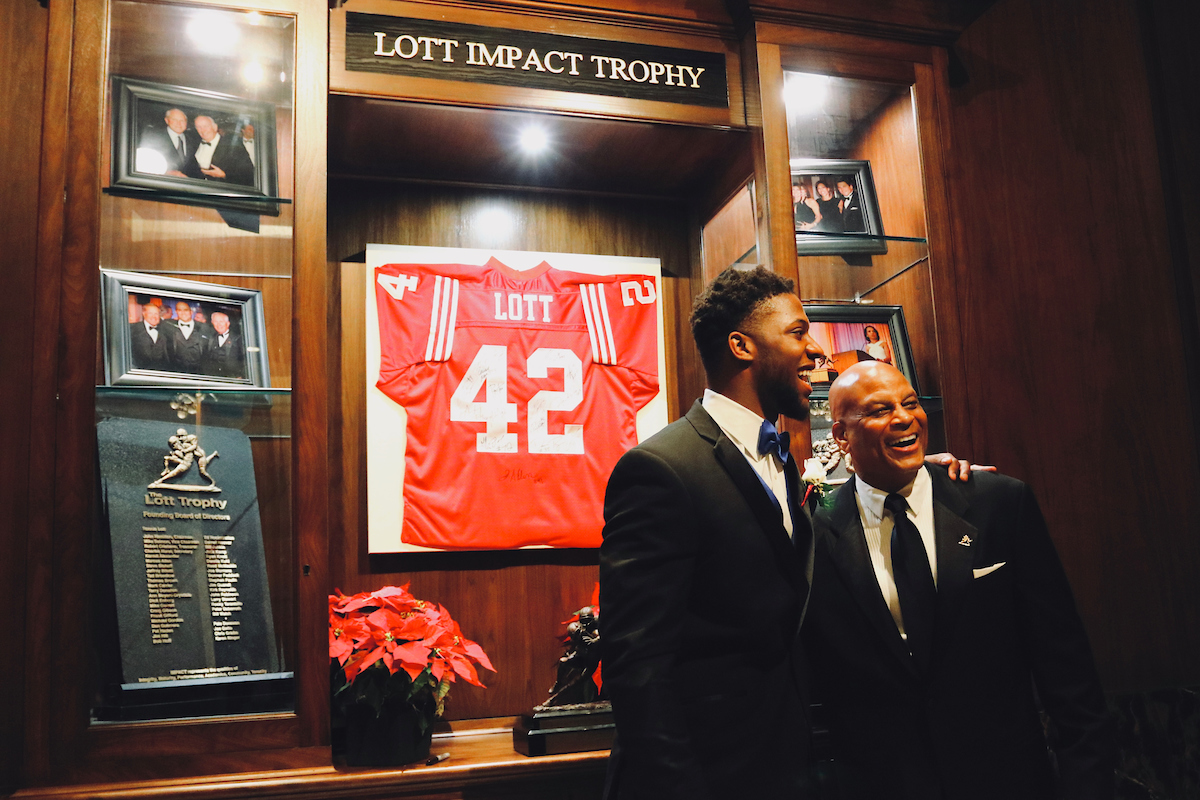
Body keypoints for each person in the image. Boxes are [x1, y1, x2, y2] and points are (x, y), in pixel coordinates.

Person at [803, 361, 1115, 800]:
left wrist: (1089, 784)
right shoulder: (814, 535)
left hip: (1009, 780)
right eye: (879, 410)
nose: (903, 417)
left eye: (909, 403)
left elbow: (1065, 664)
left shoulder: (998, 504)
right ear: (840, 435)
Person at [599, 266, 824, 800]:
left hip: (782, 767)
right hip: (704, 777)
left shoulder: (785, 464)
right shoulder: (661, 468)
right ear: (742, 346)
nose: (817, 350)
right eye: (798, 331)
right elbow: (637, 666)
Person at [185, 115, 255, 186]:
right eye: (199, 127)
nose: (202, 130)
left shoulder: (233, 146)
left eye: (206, 126)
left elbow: (249, 173)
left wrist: (224, 175)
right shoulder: (193, 143)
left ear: (215, 127)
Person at [136, 107, 195, 177]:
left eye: (182, 120)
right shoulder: (154, 136)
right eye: (174, 120)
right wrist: (165, 172)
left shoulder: (192, 140)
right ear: (167, 120)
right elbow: (142, 162)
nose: (179, 123)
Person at [162, 300, 212, 373]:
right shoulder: (167, 325)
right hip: (176, 370)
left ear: (191, 312)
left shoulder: (204, 327)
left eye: (186, 310)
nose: (183, 313)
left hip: (199, 371)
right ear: (176, 312)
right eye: (180, 310)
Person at [129, 302, 171, 371]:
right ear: (144, 314)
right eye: (150, 313)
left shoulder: (167, 330)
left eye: (156, 314)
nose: (153, 316)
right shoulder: (132, 329)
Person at [203, 311, 245, 379]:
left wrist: (241, 376)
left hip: (233, 379)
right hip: (215, 379)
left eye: (221, 321)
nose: (218, 324)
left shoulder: (238, 339)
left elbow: (245, 360)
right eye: (215, 322)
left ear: (228, 323)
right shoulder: (210, 339)